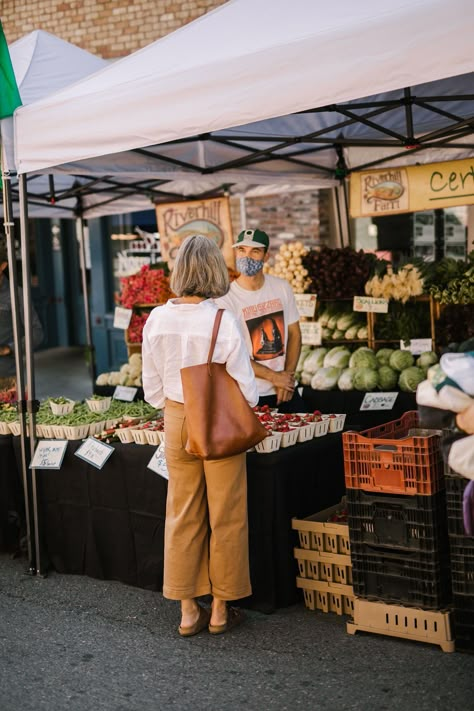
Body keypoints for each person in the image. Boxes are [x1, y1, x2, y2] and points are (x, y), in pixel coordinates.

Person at [142, 235, 258, 637]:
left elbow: (151, 387)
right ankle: (222, 607)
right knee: (227, 514)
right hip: (218, 419)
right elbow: (247, 387)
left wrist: (175, 405)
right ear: (212, 271)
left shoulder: (156, 318)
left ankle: (188, 609)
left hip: (175, 417)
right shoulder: (221, 320)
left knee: (182, 511)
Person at [214, 228, 303, 412]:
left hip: (283, 390)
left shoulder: (281, 287)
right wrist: (274, 377)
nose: (247, 256)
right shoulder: (225, 299)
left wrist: (286, 378)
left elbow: (294, 333)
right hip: (248, 394)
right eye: (242, 250)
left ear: (266, 256)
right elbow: (232, 354)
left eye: (255, 251)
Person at [0, 240, 43, 390]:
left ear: (3, 266)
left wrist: (8, 348)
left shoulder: (16, 294)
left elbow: (36, 333)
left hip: (7, 379)